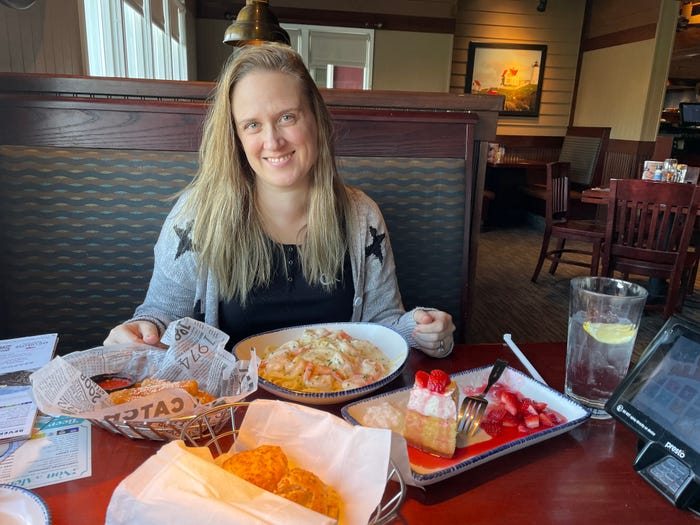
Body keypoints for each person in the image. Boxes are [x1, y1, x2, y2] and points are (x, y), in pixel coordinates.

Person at [104, 43, 455, 358]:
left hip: (337, 410)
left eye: (287, 117)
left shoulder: (362, 216)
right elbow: (161, 315)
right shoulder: (197, 215)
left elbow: (383, 326)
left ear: (315, 120)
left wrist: (421, 330)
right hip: (235, 414)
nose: (272, 141)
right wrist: (141, 332)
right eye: (252, 125)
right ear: (236, 137)